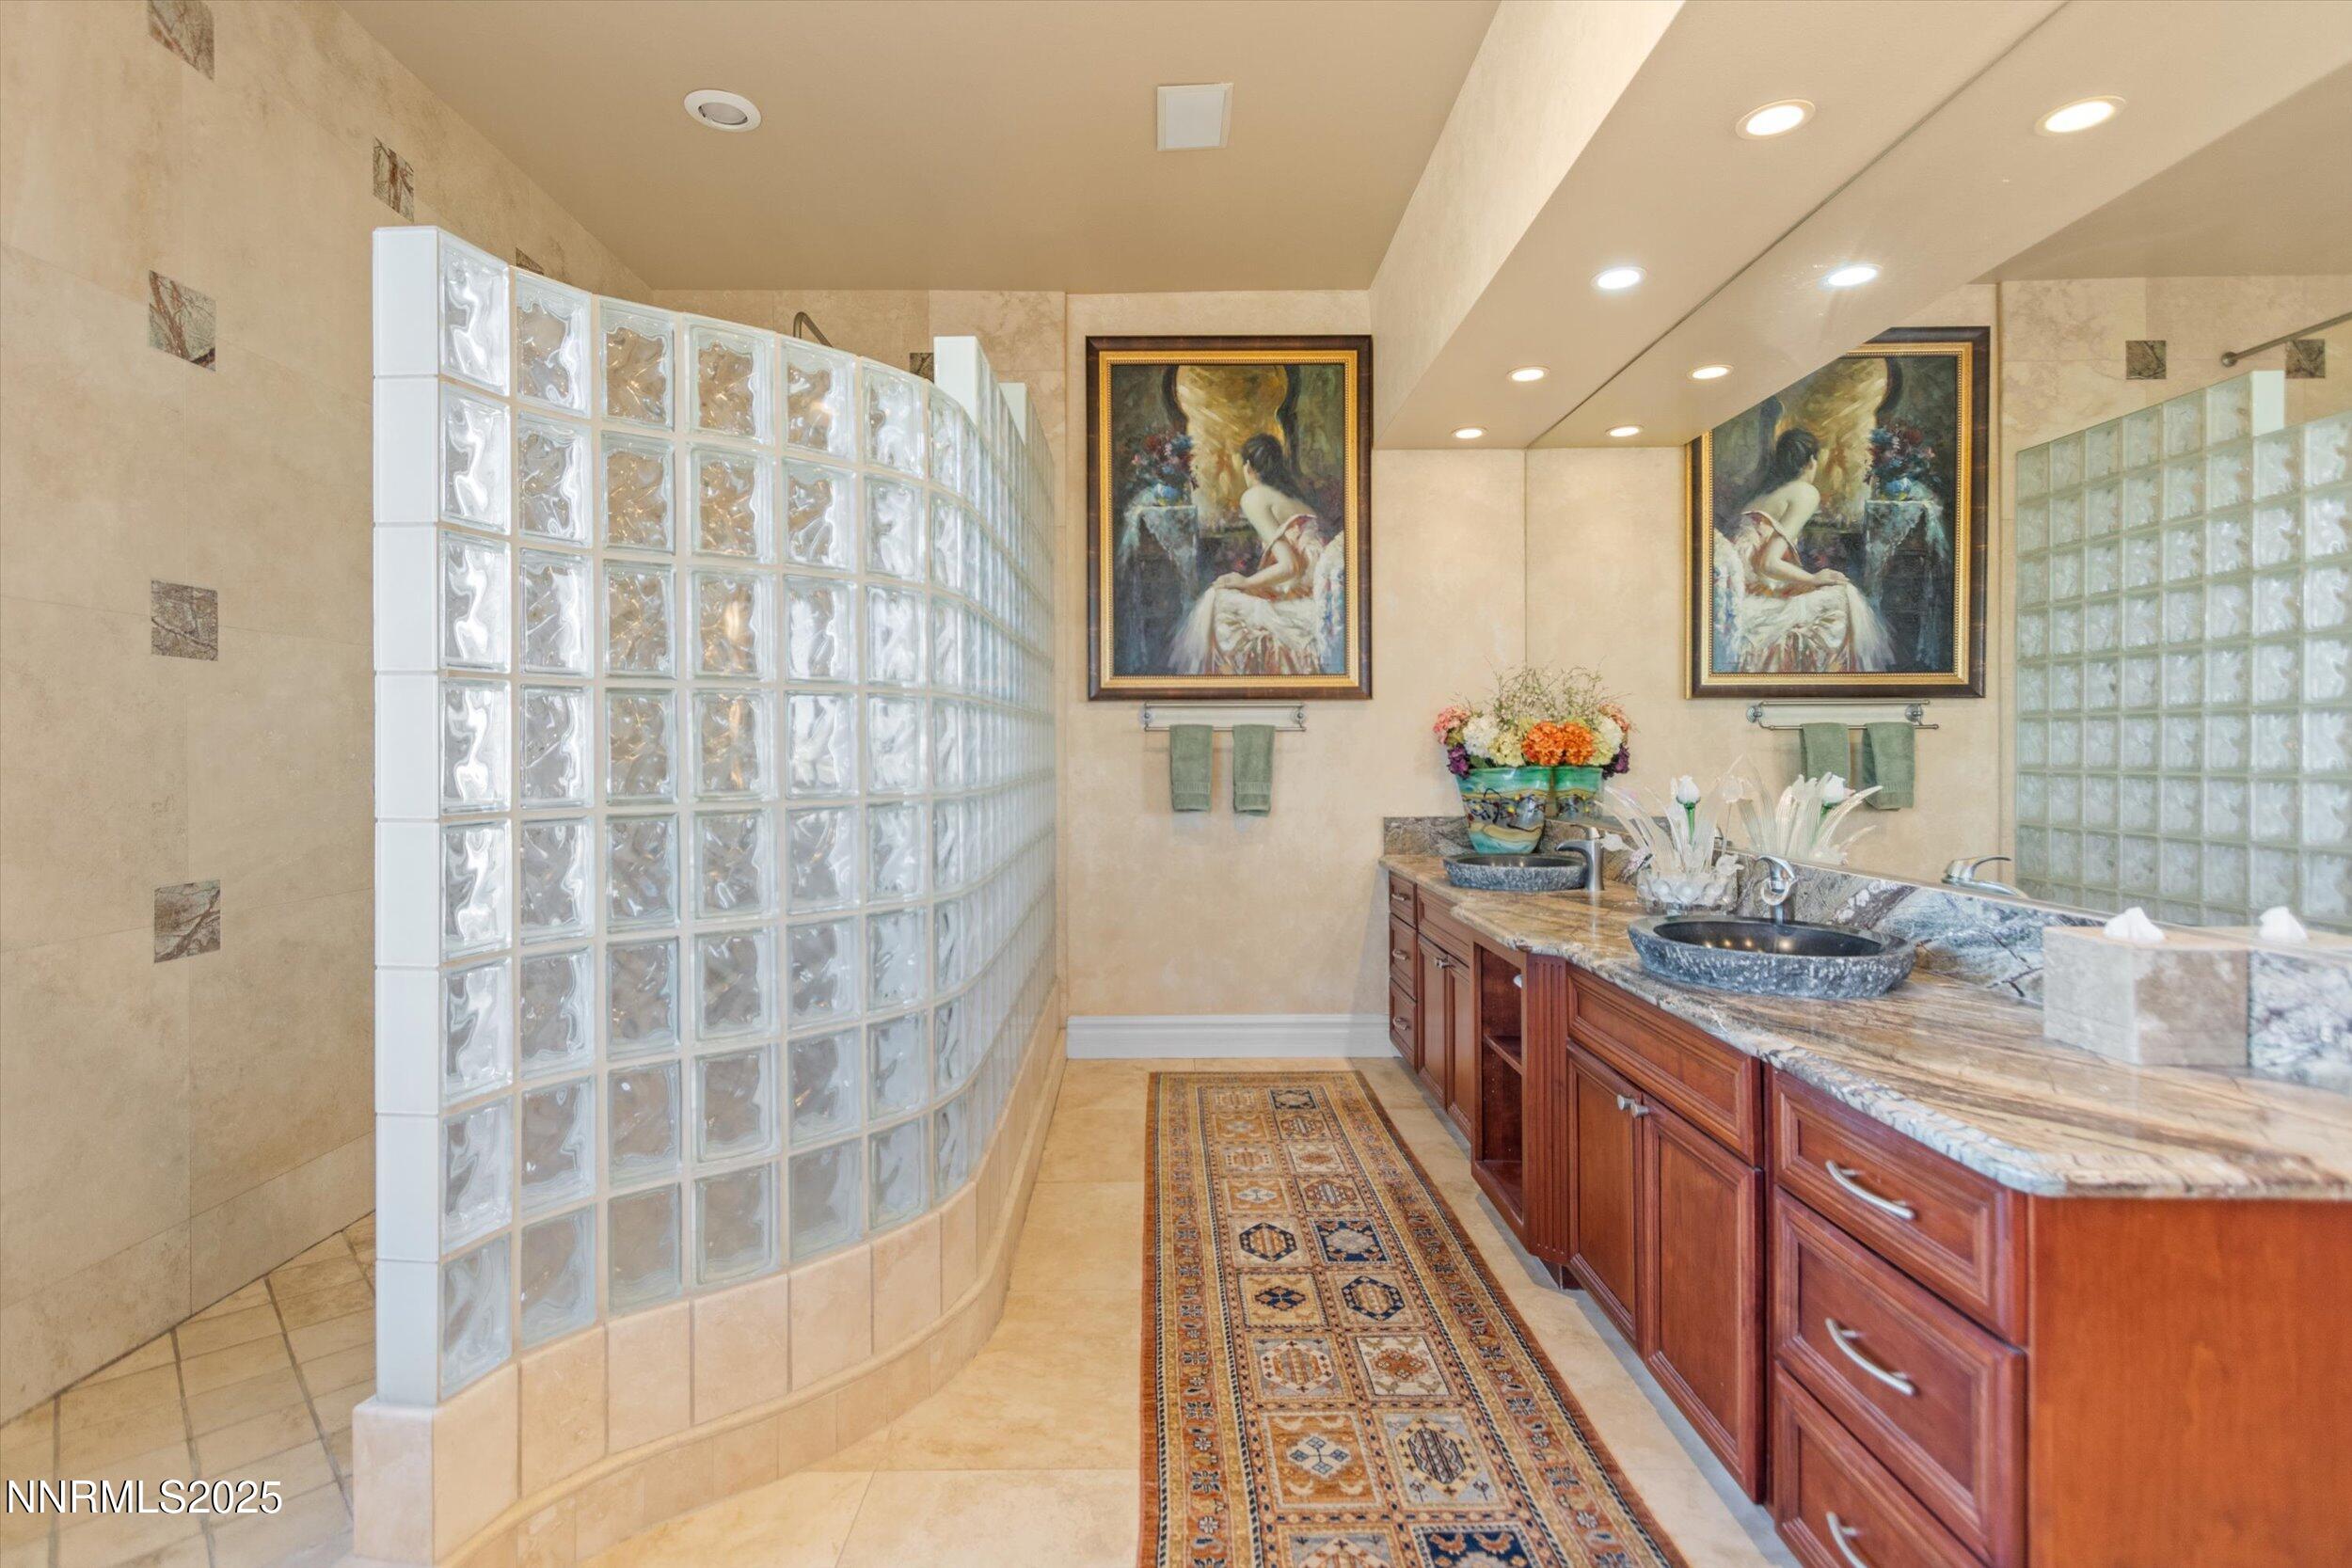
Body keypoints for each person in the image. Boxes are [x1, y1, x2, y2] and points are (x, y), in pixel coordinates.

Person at [1718, 428, 1894, 673]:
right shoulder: (1804, 491)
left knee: (1830, 592)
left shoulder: (1764, 493)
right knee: (1844, 595)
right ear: (1811, 461)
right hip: (1751, 595)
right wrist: (1813, 578)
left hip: (1738, 589)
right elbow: (1768, 563)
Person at [1168, 433, 1343, 675]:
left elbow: (1290, 566)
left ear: (1248, 467)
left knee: (1216, 599)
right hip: (1317, 590)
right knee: (1227, 595)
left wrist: (1246, 582)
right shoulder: (1293, 496)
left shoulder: (1255, 496)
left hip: (1305, 593)